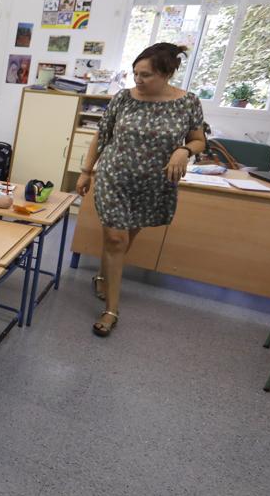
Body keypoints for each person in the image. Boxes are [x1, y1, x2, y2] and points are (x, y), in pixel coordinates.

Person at [76, 42, 205, 337]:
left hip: (153, 184)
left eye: (145, 75)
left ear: (167, 73)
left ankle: (103, 274)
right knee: (116, 237)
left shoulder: (188, 103)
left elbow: (199, 140)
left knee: (123, 239)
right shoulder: (124, 98)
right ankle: (111, 310)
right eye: (135, 73)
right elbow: (101, 135)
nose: (138, 80)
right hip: (115, 177)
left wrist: (184, 150)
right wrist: (86, 171)